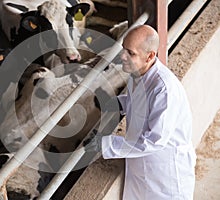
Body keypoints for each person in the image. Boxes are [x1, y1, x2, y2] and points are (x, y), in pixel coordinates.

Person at [84, 25, 196, 199]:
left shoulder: (164, 90)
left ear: (150, 56)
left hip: (164, 177)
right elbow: (138, 103)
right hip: (141, 171)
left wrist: (106, 144)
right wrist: (114, 104)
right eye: (123, 49)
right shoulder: (138, 73)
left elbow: (154, 140)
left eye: (131, 53)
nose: (122, 57)